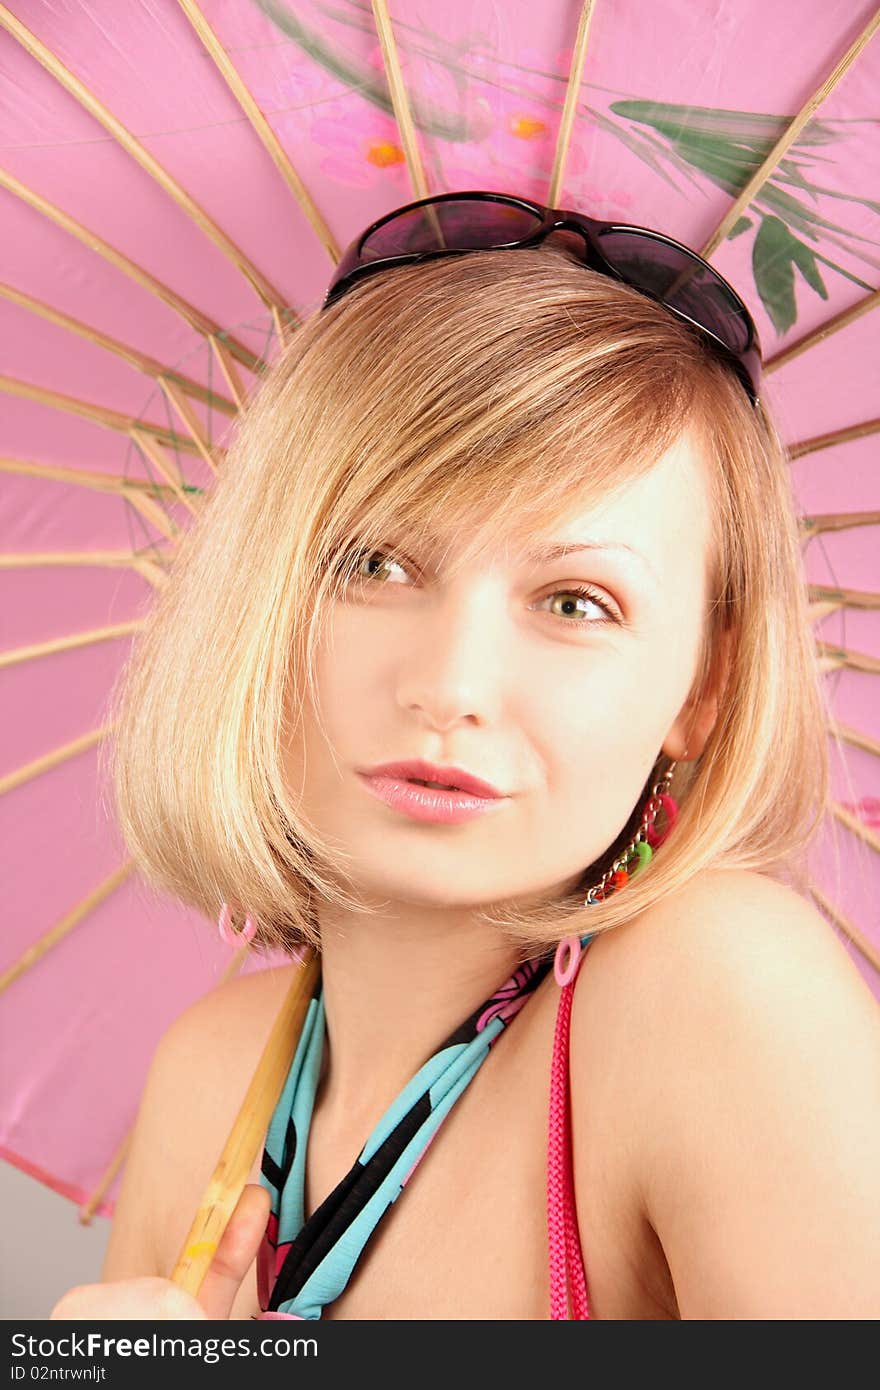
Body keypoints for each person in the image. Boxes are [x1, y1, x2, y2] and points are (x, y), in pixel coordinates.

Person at [50, 193, 880, 1321]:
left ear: (703, 685)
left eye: (575, 600)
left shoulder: (714, 994)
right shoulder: (210, 1080)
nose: (448, 683)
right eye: (376, 564)